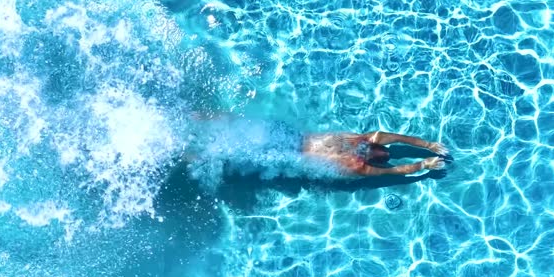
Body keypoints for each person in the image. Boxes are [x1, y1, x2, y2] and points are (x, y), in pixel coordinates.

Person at [188, 114, 450, 178]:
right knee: (235, 124)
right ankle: (195, 118)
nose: (374, 148)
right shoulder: (365, 138)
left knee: (232, 149)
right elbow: (401, 139)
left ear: (373, 159)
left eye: (376, 153)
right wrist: (428, 145)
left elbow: (393, 171)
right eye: (377, 147)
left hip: (287, 152)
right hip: (290, 136)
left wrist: (423, 164)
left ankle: (190, 154)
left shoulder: (357, 165)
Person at [302, 130, 449, 177]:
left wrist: (429, 145)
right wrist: (423, 164)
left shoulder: (364, 138)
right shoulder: (358, 166)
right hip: (302, 159)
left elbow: (400, 138)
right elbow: (393, 170)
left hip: (303, 139)